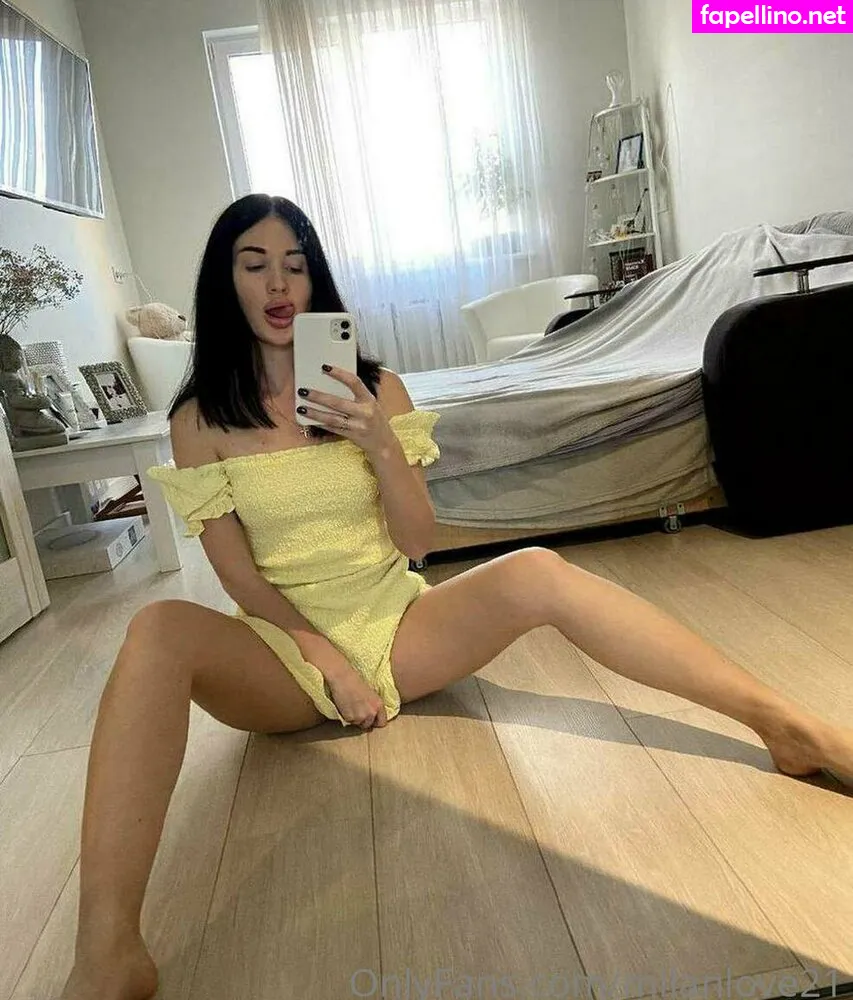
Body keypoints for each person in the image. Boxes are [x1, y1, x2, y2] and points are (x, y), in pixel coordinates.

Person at [60, 194, 853, 1000]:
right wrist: (326, 658)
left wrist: (377, 441)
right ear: (222, 281)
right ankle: (106, 948)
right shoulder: (200, 420)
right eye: (254, 264)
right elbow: (239, 580)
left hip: (396, 624)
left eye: (294, 265)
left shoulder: (377, 389)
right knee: (157, 626)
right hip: (281, 653)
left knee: (537, 569)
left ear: (315, 280)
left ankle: (783, 724)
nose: (277, 285)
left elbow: (416, 541)